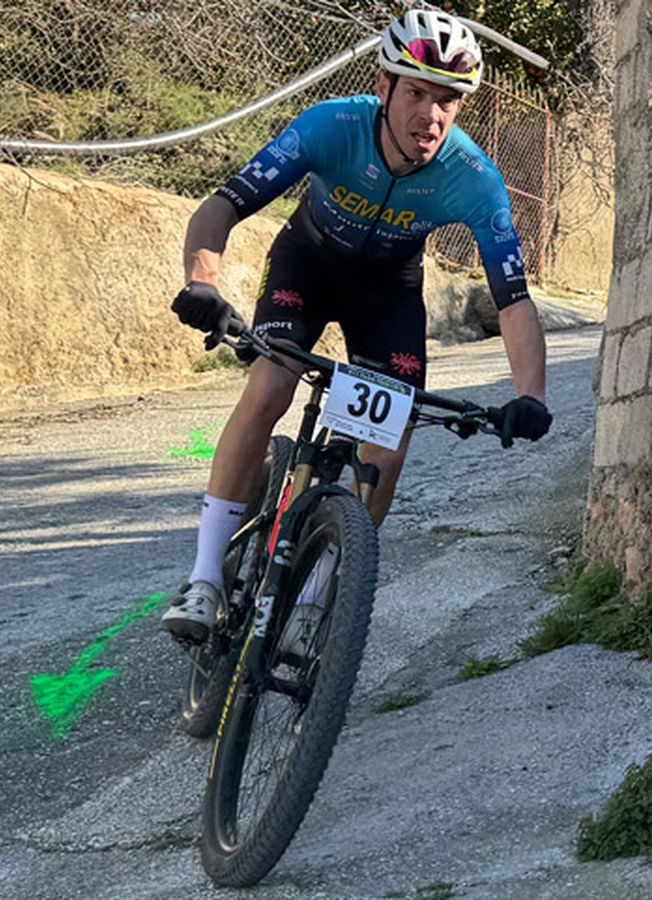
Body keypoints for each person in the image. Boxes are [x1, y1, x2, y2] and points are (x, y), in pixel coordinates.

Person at [162, 8, 552, 645]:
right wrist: (203, 281)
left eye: (448, 100)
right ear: (385, 86)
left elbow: (512, 301)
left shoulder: (474, 178)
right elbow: (224, 206)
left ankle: (317, 605)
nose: (431, 115)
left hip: (388, 292)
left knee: (386, 447)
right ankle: (205, 578)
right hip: (307, 263)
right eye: (418, 93)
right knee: (269, 388)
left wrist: (530, 395)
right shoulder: (332, 126)